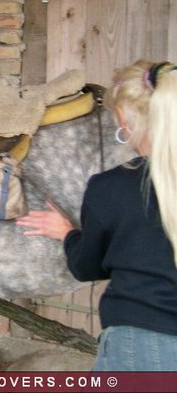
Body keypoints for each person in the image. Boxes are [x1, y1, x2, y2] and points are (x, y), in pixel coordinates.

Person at [17, 60, 177, 371]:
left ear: (123, 120)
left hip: (142, 346)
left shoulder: (112, 188)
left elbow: (87, 266)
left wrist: (67, 234)